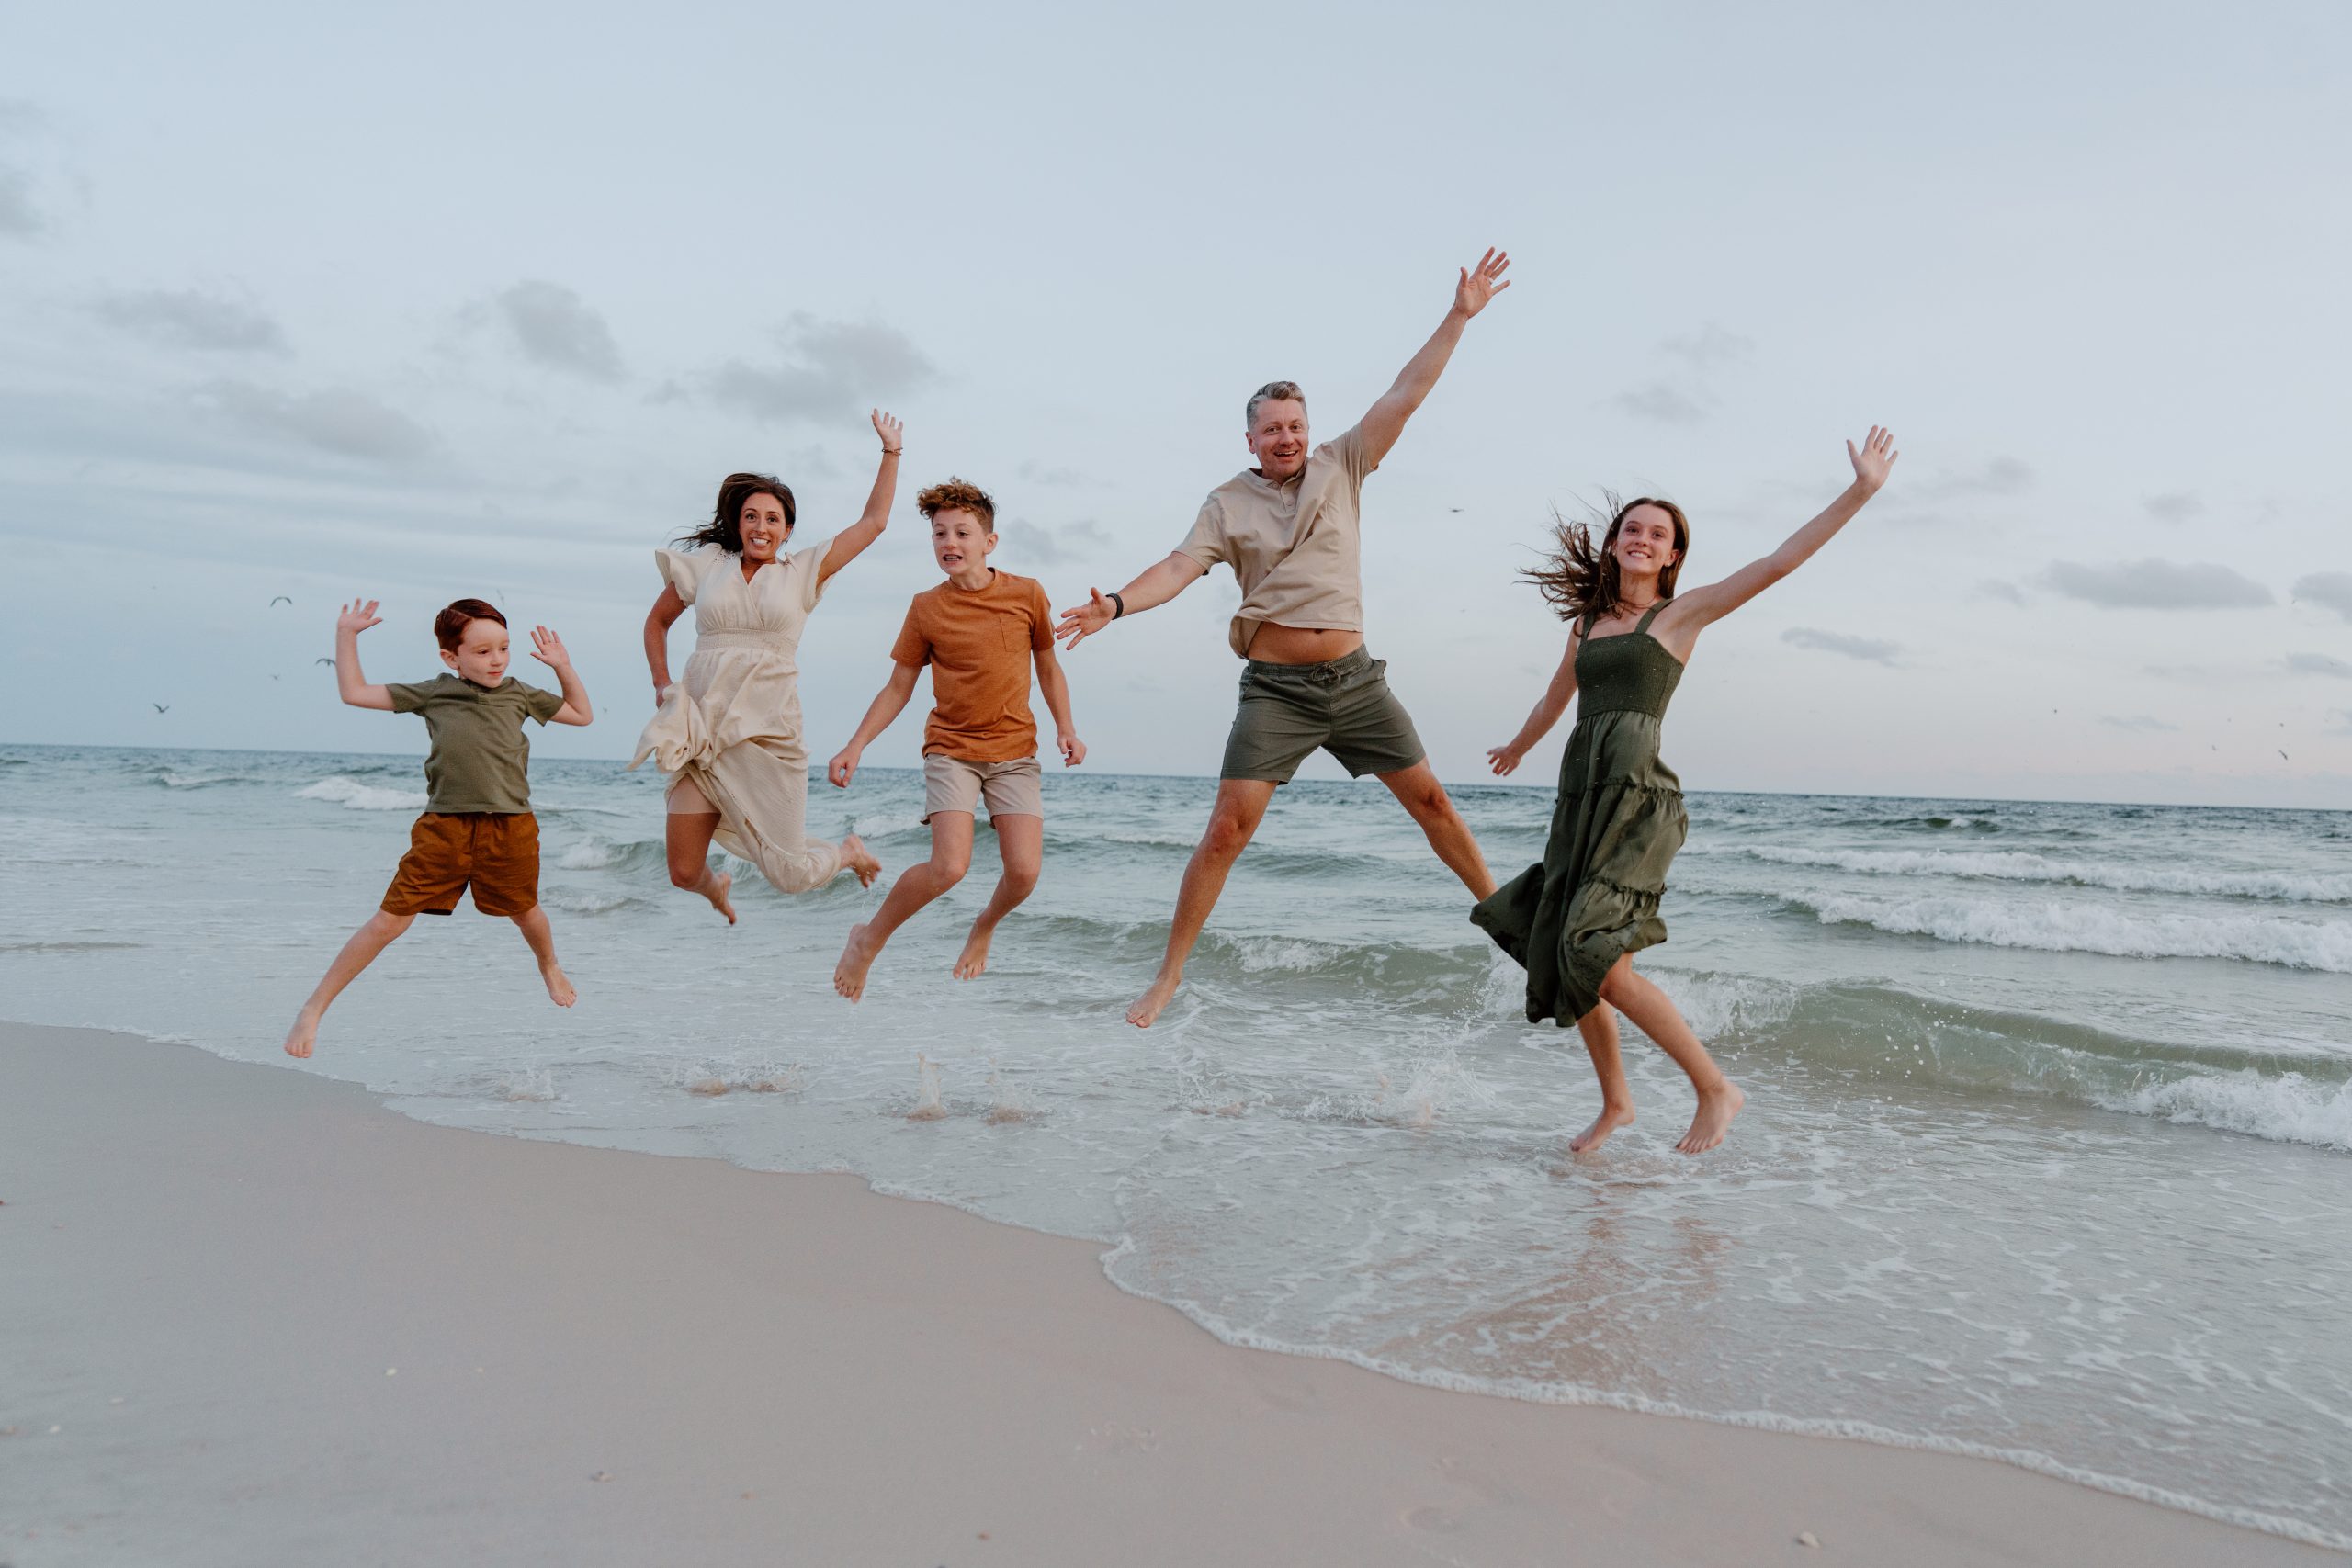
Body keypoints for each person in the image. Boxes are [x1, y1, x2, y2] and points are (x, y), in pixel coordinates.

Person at [1056, 249, 1514, 1028]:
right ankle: (1167, 975)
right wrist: (1118, 606)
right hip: (1277, 692)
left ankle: (1512, 923)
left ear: (1310, 429)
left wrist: (1460, 315)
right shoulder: (1227, 503)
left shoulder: (1346, 462)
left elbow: (1408, 392)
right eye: (1272, 429)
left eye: (1296, 425)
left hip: (1357, 681)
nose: (1287, 437)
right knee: (1226, 830)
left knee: (1434, 802)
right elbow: (1178, 565)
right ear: (1250, 439)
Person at [1476, 428, 1901, 1154]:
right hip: (1582, 800)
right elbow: (1557, 699)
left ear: (1673, 555)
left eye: (1658, 534)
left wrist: (1861, 491)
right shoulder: (1587, 622)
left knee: (1591, 953)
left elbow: (1777, 562)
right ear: (1614, 543)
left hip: (1638, 801)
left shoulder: (1680, 615)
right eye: (1632, 528)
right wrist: (1519, 744)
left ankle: (1715, 1087)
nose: (1643, 539)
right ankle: (1617, 1103)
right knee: (1577, 951)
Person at [282, 596, 593, 1058]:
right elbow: (354, 692)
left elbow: (581, 714)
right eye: (484, 651)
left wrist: (562, 666)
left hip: (511, 827)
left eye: (503, 648)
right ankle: (314, 1008)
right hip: (443, 827)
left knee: (526, 912)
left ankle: (549, 966)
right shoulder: (434, 692)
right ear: (452, 657)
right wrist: (346, 635)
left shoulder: (521, 693)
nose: (497, 660)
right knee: (389, 921)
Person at [633, 412, 902, 918]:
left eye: (773, 519)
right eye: (752, 516)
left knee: (790, 874)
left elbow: (874, 524)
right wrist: (663, 684)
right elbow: (655, 625)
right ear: (738, 522)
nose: (761, 526)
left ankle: (847, 852)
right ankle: (718, 889)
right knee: (684, 871)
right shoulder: (708, 567)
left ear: (787, 529)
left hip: (769, 734)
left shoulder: (803, 572)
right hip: (703, 730)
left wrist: (890, 453)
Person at [826, 478, 1084, 998]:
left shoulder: (1027, 593)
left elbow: (1049, 667)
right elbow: (899, 687)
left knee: (1025, 873)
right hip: (952, 751)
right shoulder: (926, 607)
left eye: (963, 532)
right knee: (949, 867)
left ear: (989, 541)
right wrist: (856, 745)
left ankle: (983, 927)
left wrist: (1066, 728)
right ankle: (869, 940)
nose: (950, 542)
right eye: (940, 533)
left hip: (1015, 752)